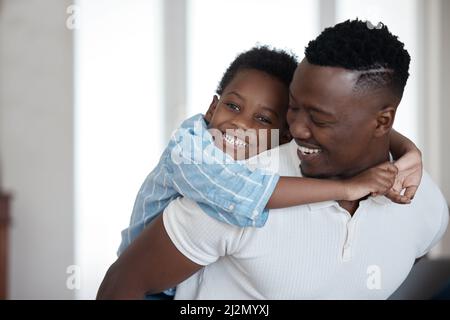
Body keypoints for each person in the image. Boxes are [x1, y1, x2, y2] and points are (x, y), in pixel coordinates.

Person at [97, 21, 438, 299]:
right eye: (294, 108)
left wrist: (409, 151)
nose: (298, 127)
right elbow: (121, 286)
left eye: (318, 119)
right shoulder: (212, 175)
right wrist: (344, 188)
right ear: (213, 106)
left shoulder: (424, 200)